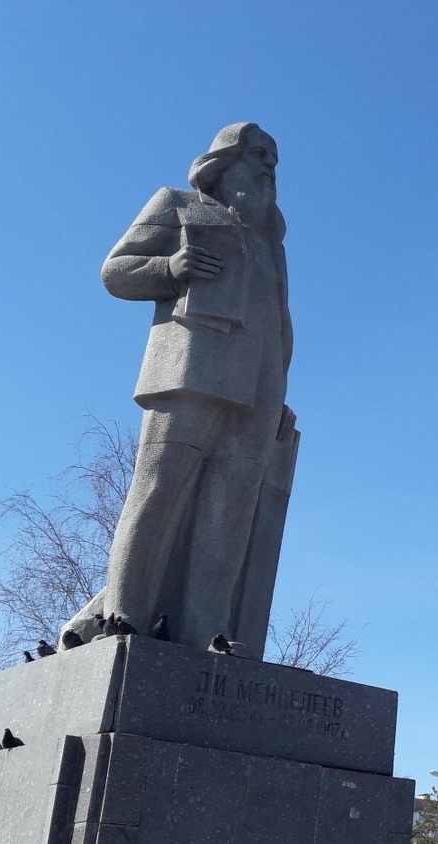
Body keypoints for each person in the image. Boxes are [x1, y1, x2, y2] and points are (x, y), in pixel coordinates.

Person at [87, 122, 298, 652]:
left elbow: (280, 321)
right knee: (159, 488)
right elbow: (116, 271)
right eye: (258, 153)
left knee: (232, 507)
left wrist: (280, 393)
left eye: (274, 156)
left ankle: (207, 627)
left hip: (260, 388)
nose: (270, 164)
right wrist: (170, 266)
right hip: (189, 369)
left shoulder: (272, 240)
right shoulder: (178, 205)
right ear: (223, 161)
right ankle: (123, 615)